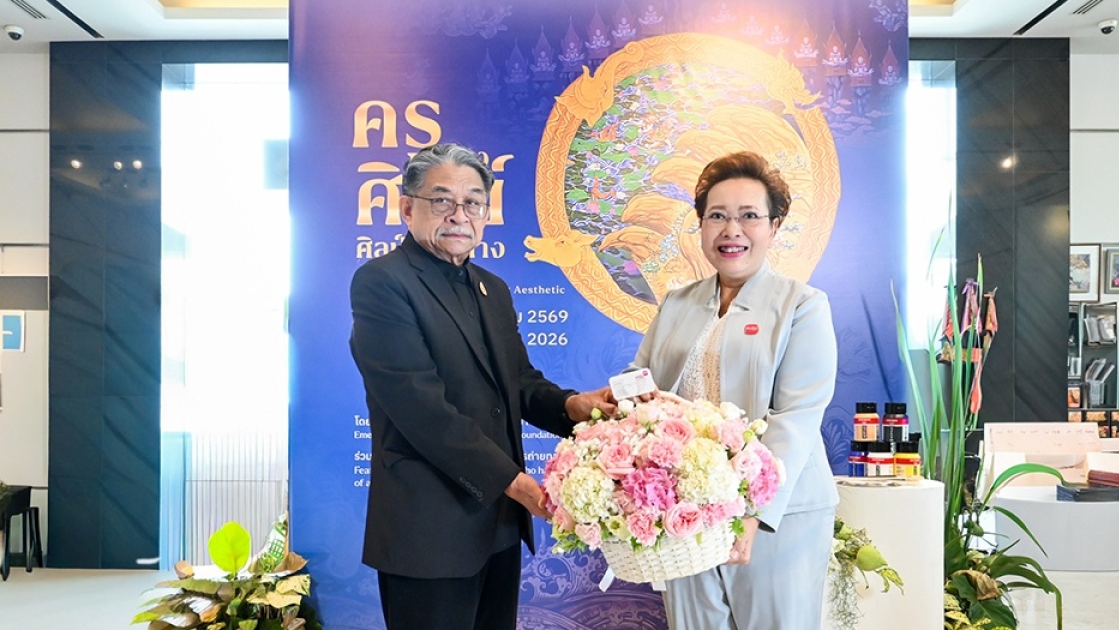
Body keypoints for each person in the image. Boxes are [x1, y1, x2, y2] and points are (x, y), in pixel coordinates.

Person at [349, 142, 616, 630]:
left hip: (497, 526)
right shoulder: (382, 283)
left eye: (473, 202)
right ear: (407, 208)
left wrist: (574, 406)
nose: (459, 215)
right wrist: (513, 481)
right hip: (428, 532)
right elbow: (422, 410)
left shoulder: (493, 288)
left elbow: (519, 381)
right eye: (441, 200)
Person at [633, 151, 838, 629]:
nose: (732, 230)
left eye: (749, 216)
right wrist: (625, 401)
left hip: (779, 513)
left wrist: (753, 512)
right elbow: (642, 380)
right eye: (717, 216)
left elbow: (796, 418)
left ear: (774, 225)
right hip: (687, 508)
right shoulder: (677, 303)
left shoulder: (803, 306)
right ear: (701, 225)